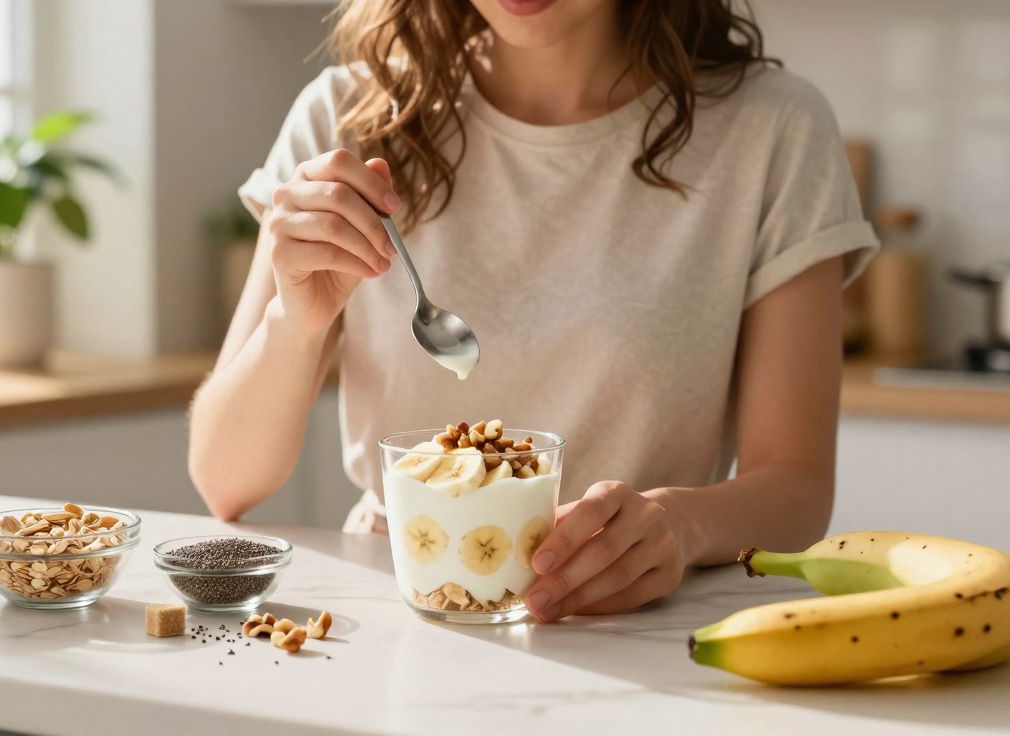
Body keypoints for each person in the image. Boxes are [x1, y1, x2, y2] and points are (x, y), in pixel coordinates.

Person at [189, 0, 878, 623]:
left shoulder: (773, 128)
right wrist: (294, 321)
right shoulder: (347, 116)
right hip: (403, 612)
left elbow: (797, 488)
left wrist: (681, 525)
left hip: (640, 624)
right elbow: (225, 481)